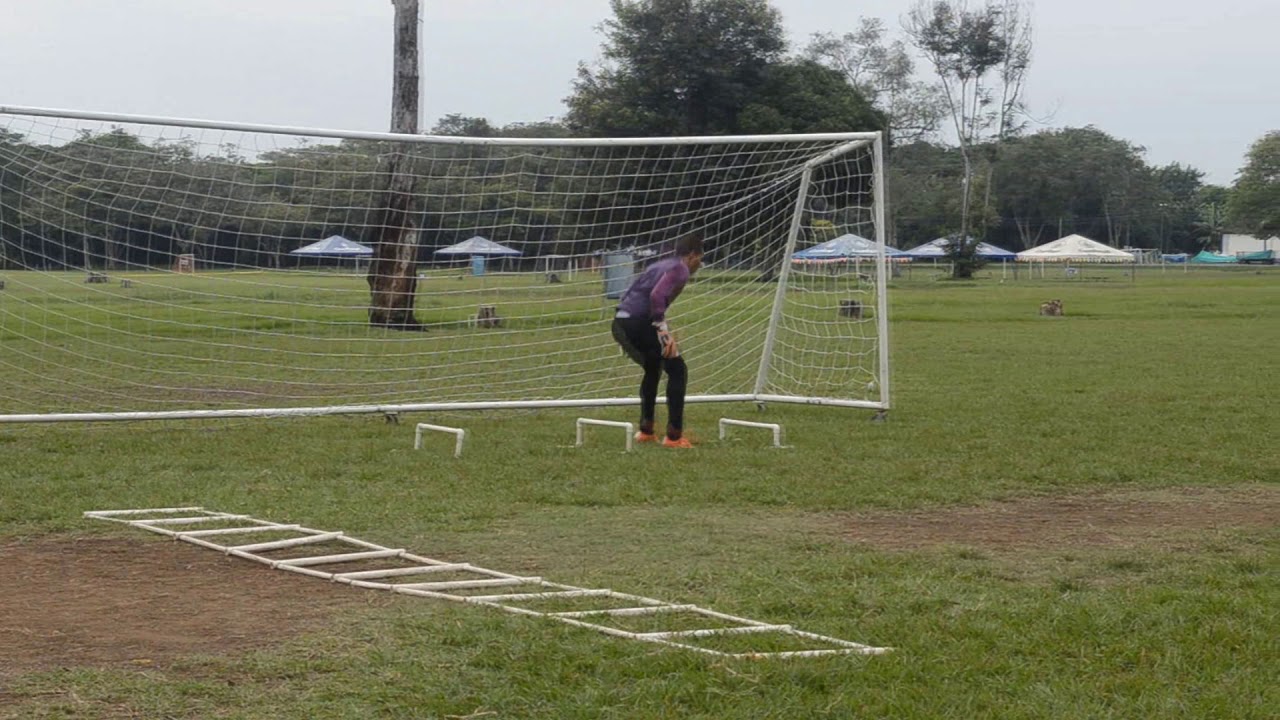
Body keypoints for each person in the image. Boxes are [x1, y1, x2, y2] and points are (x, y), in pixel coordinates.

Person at [610, 233, 704, 448]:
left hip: (620, 322)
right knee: (678, 370)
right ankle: (674, 436)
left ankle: (646, 430)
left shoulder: (660, 264)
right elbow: (656, 295)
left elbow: (634, 293)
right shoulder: (680, 268)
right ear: (692, 255)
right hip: (640, 323)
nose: (700, 263)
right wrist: (662, 329)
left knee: (654, 368)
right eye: (700, 257)